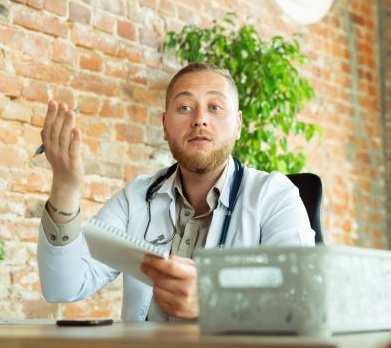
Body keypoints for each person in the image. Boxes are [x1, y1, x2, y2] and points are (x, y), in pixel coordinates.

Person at [37, 62, 315, 322]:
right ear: (165, 125)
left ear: (238, 125)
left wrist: (214, 299)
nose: (200, 119)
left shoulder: (275, 196)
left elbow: (302, 301)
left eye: (215, 107)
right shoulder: (136, 198)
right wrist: (65, 186)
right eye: (184, 107)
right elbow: (64, 286)